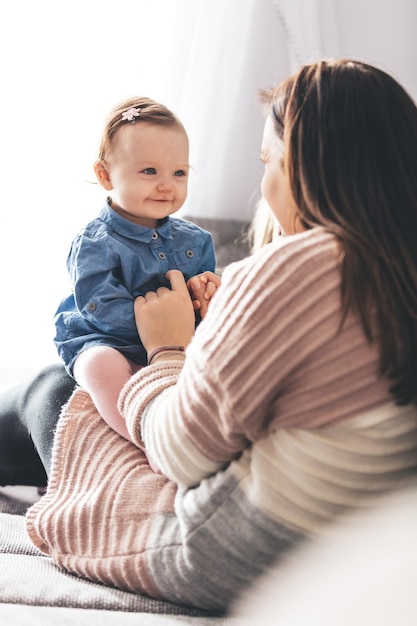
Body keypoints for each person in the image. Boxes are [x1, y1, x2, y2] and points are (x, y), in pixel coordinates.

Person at [1, 58, 417, 612]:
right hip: (345, 543)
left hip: (227, 551)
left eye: (268, 160)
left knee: (55, 391)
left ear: (304, 165)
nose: (264, 182)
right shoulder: (394, 267)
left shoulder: (301, 266)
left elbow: (182, 453)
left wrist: (167, 347)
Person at [53, 96, 218, 442]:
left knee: (220, 354)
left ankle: (198, 424)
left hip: (178, 343)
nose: (166, 184)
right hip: (106, 339)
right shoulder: (94, 244)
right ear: (105, 175)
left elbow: (202, 308)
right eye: (149, 171)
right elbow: (101, 310)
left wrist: (205, 291)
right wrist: (162, 331)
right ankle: (143, 436)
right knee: (99, 365)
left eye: (179, 173)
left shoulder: (197, 240)